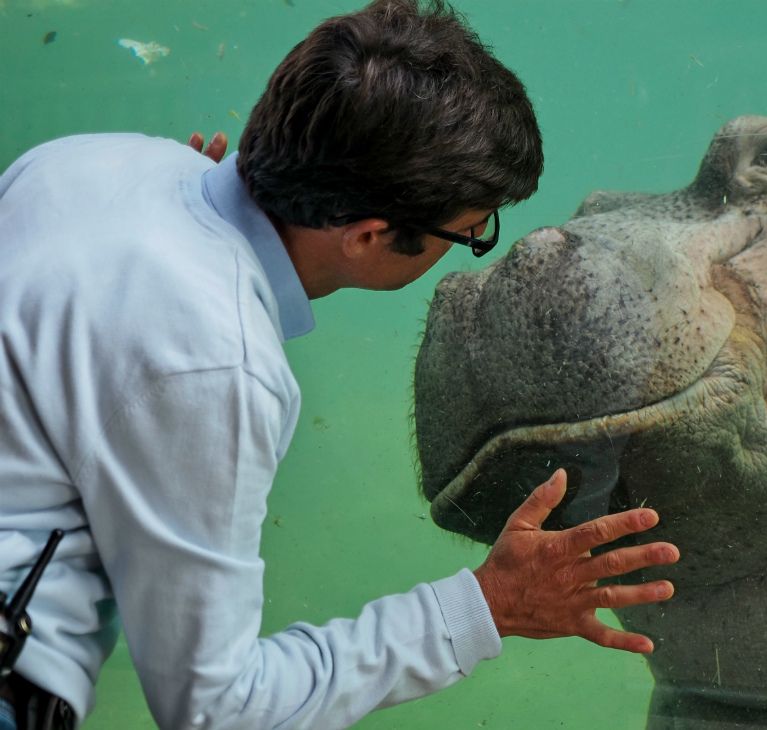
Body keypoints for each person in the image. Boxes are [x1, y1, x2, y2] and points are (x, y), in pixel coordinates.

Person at [0, 1, 680, 728]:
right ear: (365, 237)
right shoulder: (214, 366)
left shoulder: (83, 161)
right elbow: (215, 712)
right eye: (471, 232)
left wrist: (198, 280)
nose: (474, 243)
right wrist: (485, 606)